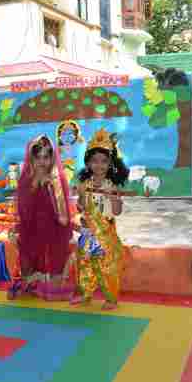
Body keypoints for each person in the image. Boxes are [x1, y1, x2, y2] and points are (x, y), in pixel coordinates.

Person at [8, 135, 73, 301]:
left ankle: (50, 281)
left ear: (52, 158)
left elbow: (63, 217)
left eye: (46, 157)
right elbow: (24, 210)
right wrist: (35, 185)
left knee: (54, 275)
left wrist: (51, 187)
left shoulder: (56, 180)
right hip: (32, 229)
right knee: (29, 265)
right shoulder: (26, 180)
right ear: (31, 159)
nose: (42, 162)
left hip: (53, 230)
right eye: (38, 158)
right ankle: (32, 281)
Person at [70, 128, 129, 309]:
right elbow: (81, 206)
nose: (99, 165)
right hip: (88, 232)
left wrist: (114, 198)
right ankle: (85, 294)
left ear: (110, 164)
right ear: (88, 163)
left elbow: (117, 212)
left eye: (104, 161)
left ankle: (111, 299)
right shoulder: (84, 185)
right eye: (94, 161)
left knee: (106, 265)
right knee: (85, 263)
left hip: (105, 233)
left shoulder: (111, 186)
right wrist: (81, 203)